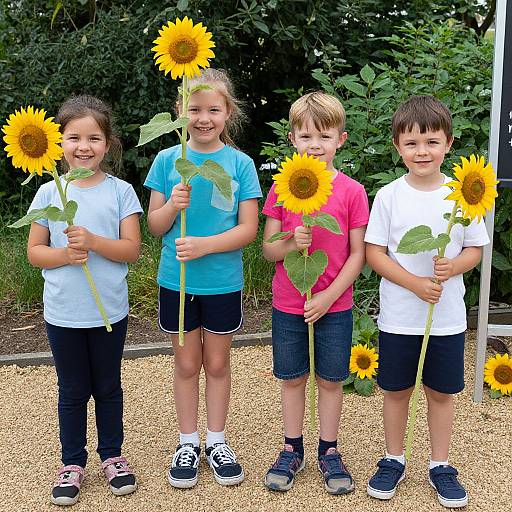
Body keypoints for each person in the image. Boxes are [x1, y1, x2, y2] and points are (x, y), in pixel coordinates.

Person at [364, 95, 489, 509]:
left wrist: (451, 268)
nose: (423, 151)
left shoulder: (464, 196)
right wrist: (415, 284)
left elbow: (475, 249)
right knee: (396, 390)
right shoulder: (388, 196)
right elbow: (375, 253)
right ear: (398, 146)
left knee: (441, 392)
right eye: (413, 143)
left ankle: (440, 465)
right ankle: (393, 458)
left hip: (447, 318)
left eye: (432, 142)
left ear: (449, 144)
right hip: (400, 316)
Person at [144, 68, 262, 488]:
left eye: (214, 109)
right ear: (179, 111)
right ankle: (187, 442)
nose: (203, 118)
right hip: (176, 283)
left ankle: (216, 440)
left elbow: (248, 229)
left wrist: (205, 246)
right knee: (186, 362)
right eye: (194, 109)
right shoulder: (166, 160)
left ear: (228, 112)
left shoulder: (239, 164)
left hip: (222, 280)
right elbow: (154, 227)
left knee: (217, 362)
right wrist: (173, 206)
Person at [27, 95, 142, 506]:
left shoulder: (121, 191)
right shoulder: (47, 193)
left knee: (109, 386)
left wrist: (93, 242)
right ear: (58, 143)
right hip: (63, 313)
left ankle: (112, 456)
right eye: (73, 137)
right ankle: (72, 462)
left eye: (94, 137)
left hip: (109, 309)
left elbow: (132, 249)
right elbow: (35, 251)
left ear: (108, 144)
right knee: (72, 390)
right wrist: (65, 256)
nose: (84, 146)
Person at [262, 91, 369, 494]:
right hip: (289, 303)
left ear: (340, 139)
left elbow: (357, 254)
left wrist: (327, 297)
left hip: (334, 304)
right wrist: (293, 241)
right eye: (306, 136)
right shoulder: (281, 187)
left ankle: (329, 448)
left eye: (324, 136)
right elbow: (269, 249)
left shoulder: (352, 191)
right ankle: (292, 446)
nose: (315, 145)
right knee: (291, 378)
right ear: (292, 140)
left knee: (330, 380)